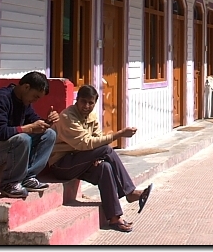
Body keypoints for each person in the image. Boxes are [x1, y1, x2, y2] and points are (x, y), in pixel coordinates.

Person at [48, 85, 153, 232]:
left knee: (105, 168)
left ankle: (115, 218)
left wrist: (97, 156)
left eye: (91, 103)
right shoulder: (67, 117)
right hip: (61, 165)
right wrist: (119, 134)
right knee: (106, 149)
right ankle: (129, 192)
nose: (86, 106)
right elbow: (85, 143)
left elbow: (97, 137)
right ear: (76, 100)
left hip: (80, 161)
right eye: (83, 102)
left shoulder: (92, 116)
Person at [0, 71, 59, 198]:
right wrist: (29, 128)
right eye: (35, 96)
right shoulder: (0, 99)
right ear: (26, 87)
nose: (36, 100)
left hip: (6, 150)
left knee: (49, 134)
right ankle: (9, 183)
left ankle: (28, 177)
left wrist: (47, 122)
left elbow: (33, 122)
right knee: (22, 139)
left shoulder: (24, 102)